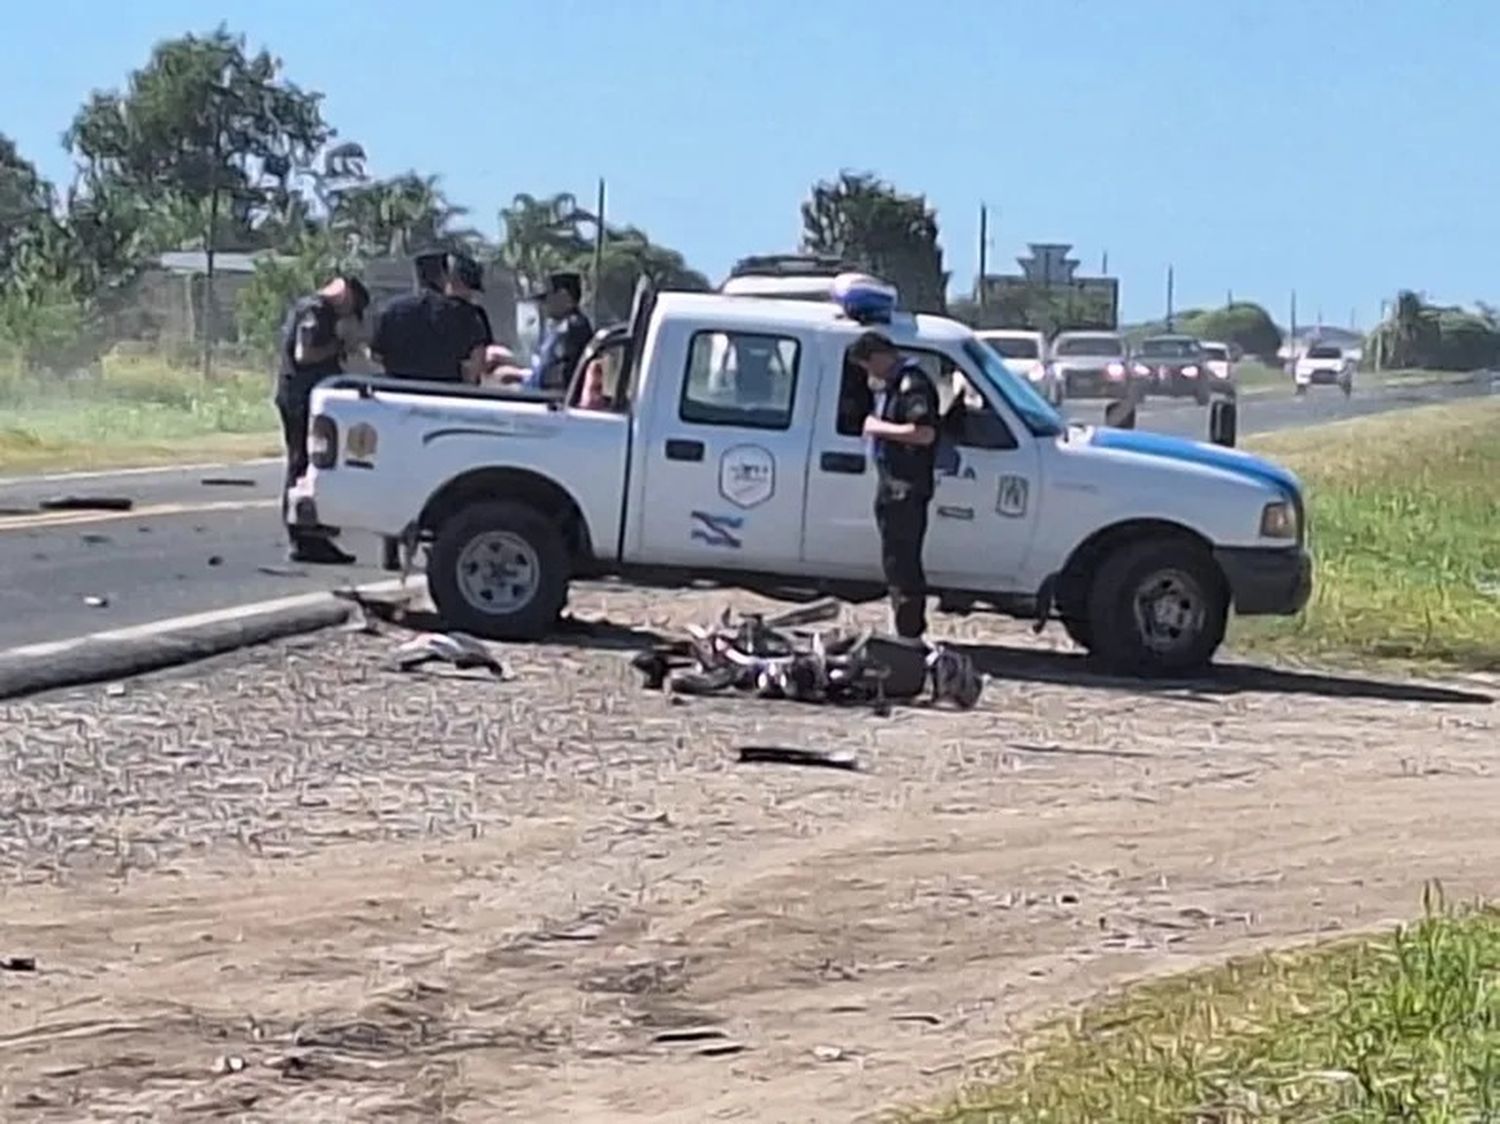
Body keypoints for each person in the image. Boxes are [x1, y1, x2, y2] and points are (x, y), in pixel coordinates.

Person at [850, 330, 940, 639]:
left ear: (878, 356)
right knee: (896, 563)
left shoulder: (911, 384)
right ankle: (904, 628)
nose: (869, 373)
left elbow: (924, 433)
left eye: (867, 366)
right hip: (894, 484)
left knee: (903, 564)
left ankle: (909, 634)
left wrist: (877, 428)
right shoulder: (892, 384)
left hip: (906, 486)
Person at [275, 274, 370, 564]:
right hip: (303, 398)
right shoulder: (317, 311)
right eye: (352, 307)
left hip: (305, 397)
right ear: (346, 293)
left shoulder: (313, 308)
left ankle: (312, 530)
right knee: (304, 462)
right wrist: (339, 346)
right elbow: (304, 354)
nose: (347, 315)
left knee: (311, 462)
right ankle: (304, 536)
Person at [370, 254, 489, 383]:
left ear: (417, 275)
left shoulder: (392, 310)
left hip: (396, 395)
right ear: (445, 275)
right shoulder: (468, 317)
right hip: (449, 398)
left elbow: (376, 357)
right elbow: (474, 367)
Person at [494, 273, 594, 392]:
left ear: (564, 296)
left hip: (554, 402)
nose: (545, 305)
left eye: (548, 299)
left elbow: (554, 375)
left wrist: (520, 376)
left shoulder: (572, 328)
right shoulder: (561, 327)